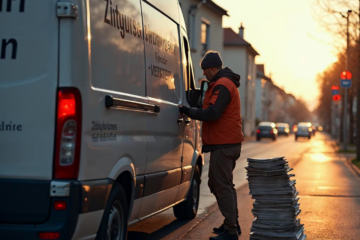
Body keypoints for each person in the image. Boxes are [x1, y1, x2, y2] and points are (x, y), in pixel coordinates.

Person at [179, 51, 244, 240]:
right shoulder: (221, 83)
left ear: (213, 68)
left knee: (220, 185)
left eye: (205, 70)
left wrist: (188, 111)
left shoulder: (222, 85)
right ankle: (232, 223)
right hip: (226, 143)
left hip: (224, 144)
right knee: (223, 185)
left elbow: (213, 113)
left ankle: (231, 231)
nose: (204, 74)